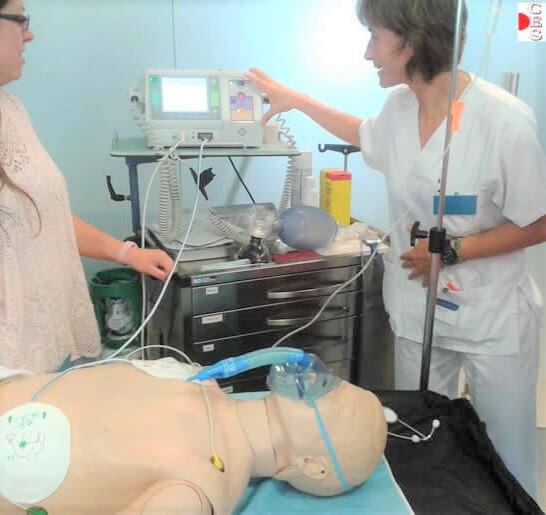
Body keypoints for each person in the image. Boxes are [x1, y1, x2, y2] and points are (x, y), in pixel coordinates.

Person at [246, 0, 546, 499]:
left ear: (412, 40)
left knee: (505, 453)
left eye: (375, 37)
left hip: (491, 315)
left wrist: (456, 249)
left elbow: (539, 221)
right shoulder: (399, 109)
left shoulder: (503, 121)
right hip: (417, 308)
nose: (368, 53)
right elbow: (363, 135)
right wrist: (296, 100)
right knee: (420, 435)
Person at [0, 0, 175, 374]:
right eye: (19, 20)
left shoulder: (10, 109)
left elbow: (45, 217)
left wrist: (129, 254)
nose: (29, 34)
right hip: (11, 362)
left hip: (49, 342)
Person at [0, 361, 387, 514]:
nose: (322, 381)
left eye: (338, 400)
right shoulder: (195, 378)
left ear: (314, 466)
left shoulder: (199, 490)